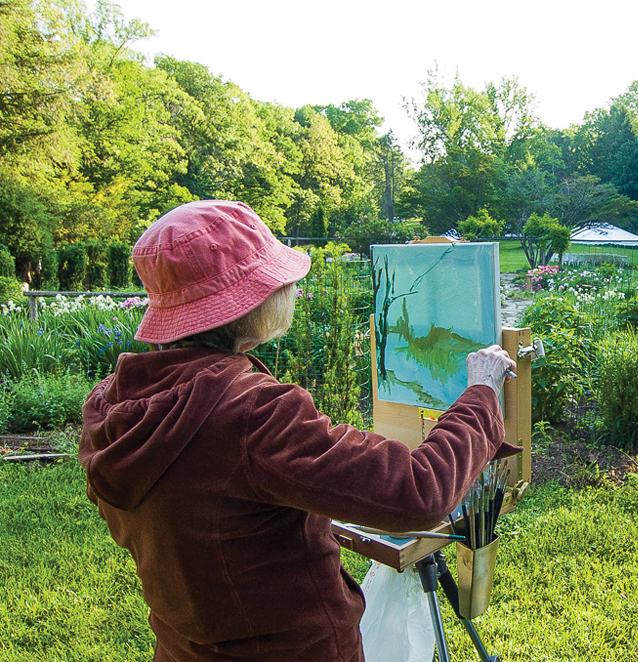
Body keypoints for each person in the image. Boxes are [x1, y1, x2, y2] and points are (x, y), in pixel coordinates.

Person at [78, 200, 519, 662]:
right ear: (257, 302)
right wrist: (482, 394)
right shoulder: (251, 414)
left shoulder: (111, 407)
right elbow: (415, 492)